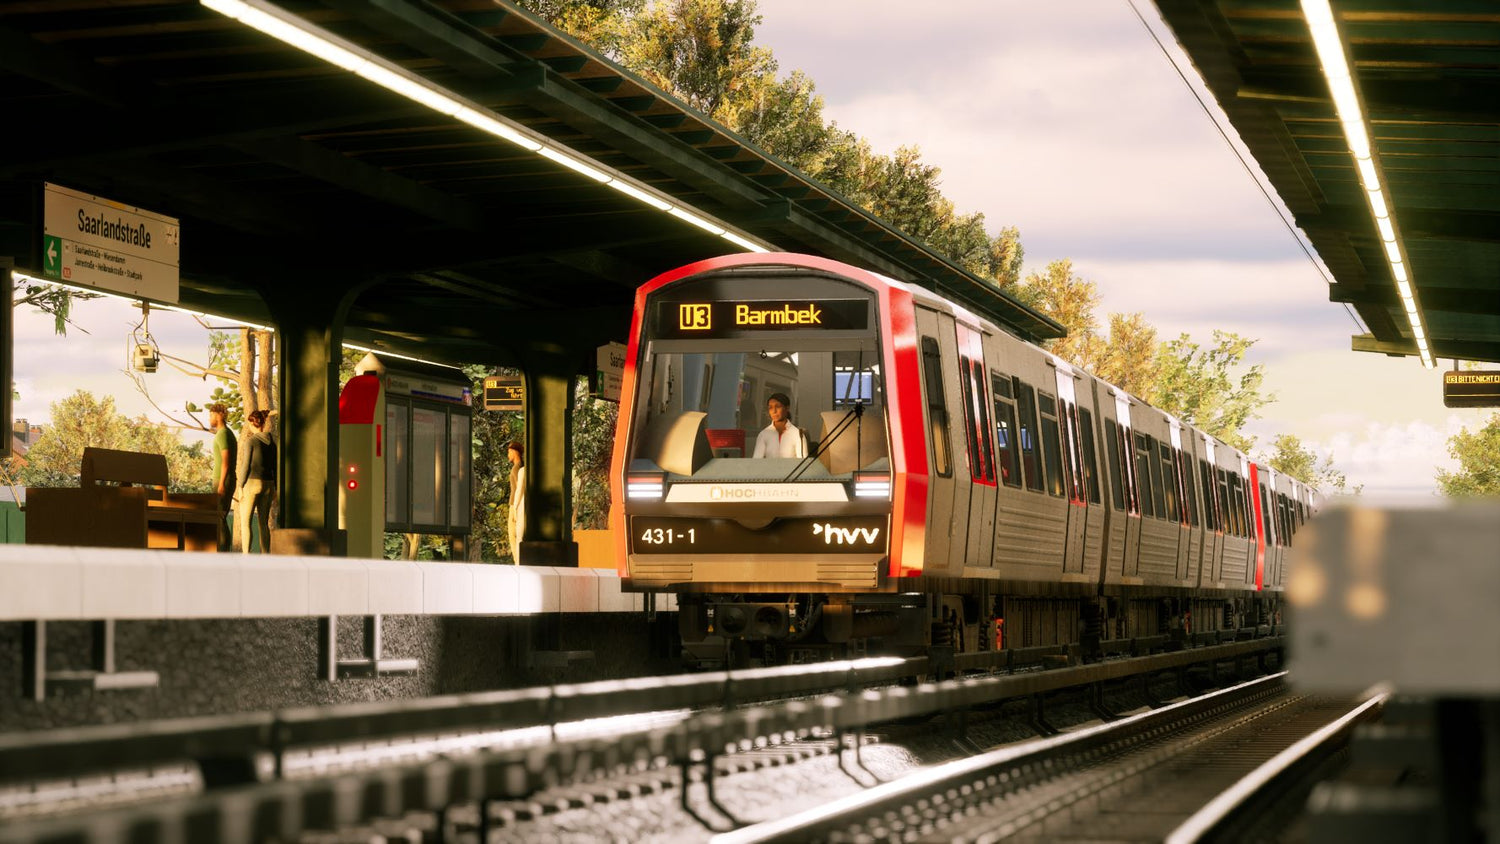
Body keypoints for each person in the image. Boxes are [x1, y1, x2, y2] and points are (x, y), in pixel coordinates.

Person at [235, 409, 277, 553]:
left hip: (252, 484)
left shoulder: (251, 441)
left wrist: (240, 486)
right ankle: (266, 555)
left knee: (245, 522)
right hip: (269, 484)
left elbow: (246, 465)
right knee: (263, 524)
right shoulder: (272, 443)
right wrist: (276, 487)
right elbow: (275, 467)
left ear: (253, 424)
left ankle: (246, 556)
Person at [208, 403, 237, 551]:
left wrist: (221, 484)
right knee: (220, 517)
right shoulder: (225, 433)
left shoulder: (223, 434)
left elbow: (226, 461)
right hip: (223, 479)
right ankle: (222, 550)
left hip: (222, 479)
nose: (209, 418)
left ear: (219, 415)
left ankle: (223, 552)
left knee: (219, 517)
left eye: (211, 415)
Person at [752, 392, 805, 458]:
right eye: (770, 408)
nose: (774, 411)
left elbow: (804, 462)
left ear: (787, 408)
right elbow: (756, 460)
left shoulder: (797, 434)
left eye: (778, 406)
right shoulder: (763, 434)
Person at [507, 441, 526, 564]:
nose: (508, 455)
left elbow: (519, 489)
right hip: (516, 504)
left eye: (509, 452)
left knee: (513, 535)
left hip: (515, 504)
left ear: (515, 452)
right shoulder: (520, 466)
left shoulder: (517, 468)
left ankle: (517, 561)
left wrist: (514, 508)